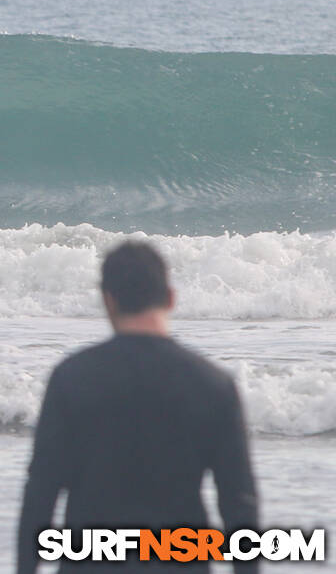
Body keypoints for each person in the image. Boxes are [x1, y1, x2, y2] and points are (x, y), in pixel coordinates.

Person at [17, 241, 258, 573]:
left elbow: (40, 494)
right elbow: (239, 504)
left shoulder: (71, 378)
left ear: (108, 300)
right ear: (171, 298)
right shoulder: (213, 384)